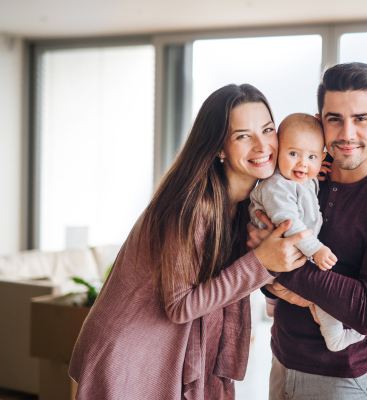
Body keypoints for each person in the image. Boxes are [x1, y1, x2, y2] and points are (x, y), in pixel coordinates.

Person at [68, 84, 312, 400]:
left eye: (267, 130)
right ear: (219, 148)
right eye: (242, 136)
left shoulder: (248, 204)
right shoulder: (194, 207)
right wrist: (261, 262)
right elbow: (182, 306)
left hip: (164, 348)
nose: (262, 145)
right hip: (129, 355)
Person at [248, 63, 367, 400]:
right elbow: (257, 255)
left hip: (343, 380)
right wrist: (267, 267)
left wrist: (274, 262)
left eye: (360, 118)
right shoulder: (304, 172)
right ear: (320, 121)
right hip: (281, 359)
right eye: (335, 119)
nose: (347, 134)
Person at [249, 113, 365, 352]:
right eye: (293, 154)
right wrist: (317, 249)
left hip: (286, 253)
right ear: (278, 151)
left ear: (322, 157)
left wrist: (315, 174)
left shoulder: (303, 178)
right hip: (286, 249)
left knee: (298, 290)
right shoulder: (277, 185)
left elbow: (305, 191)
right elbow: (288, 221)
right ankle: (335, 338)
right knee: (322, 294)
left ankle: (272, 302)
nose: (302, 163)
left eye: (311, 156)